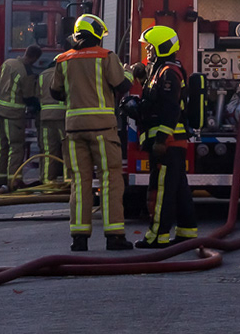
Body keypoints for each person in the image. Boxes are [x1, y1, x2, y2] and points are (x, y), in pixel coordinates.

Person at [53, 14, 133, 252]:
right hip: (102, 129)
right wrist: (128, 72)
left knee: (80, 182)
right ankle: (114, 236)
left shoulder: (63, 59)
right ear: (97, 34)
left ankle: (79, 238)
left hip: (74, 130)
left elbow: (56, 92)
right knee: (110, 179)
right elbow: (122, 86)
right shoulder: (106, 56)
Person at [134, 24, 196, 247]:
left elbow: (170, 109)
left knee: (161, 191)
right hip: (172, 142)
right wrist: (142, 78)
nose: (147, 51)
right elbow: (156, 100)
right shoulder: (162, 70)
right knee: (178, 188)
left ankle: (157, 237)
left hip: (168, 143)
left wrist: (160, 140)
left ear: (160, 46)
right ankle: (187, 232)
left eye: (149, 47)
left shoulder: (168, 72)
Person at [0, 45, 42, 192]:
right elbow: (28, 97)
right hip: (13, 115)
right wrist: (37, 106)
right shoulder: (26, 72)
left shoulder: (7, 63)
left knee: (1, 147)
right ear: (34, 58)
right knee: (16, 147)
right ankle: (13, 181)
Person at [37, 59, 66, 186]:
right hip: (63, 116)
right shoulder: (65, 72)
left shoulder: (42, 75)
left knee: (48, 150)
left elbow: (37, 95)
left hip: (45, 117)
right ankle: (68, 180)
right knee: (67, 149)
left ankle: (48, 180)